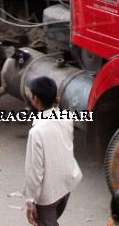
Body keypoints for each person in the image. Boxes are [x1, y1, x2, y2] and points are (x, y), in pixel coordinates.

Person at [23, 76, 82, 226]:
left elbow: (34, 172)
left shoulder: (36, 132)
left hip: (48, 196)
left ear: (35, 99)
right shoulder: (67, 117)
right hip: (66, 185)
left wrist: (30, 202)